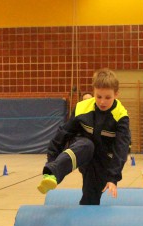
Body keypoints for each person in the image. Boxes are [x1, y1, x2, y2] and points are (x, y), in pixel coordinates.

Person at [37, 68, 130, 205]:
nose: (102, 102)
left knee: (91, 198)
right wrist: (51, 162)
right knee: (86, 145)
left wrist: (112, 178)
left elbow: (121, 150)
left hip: (102, 160)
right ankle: (53, 174)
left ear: (116, 94)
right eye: (98, 96)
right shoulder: (82, 108)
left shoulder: (121, 116)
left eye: (107, 97)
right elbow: (62, 135)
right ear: (93, 92)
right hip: (82, 149)